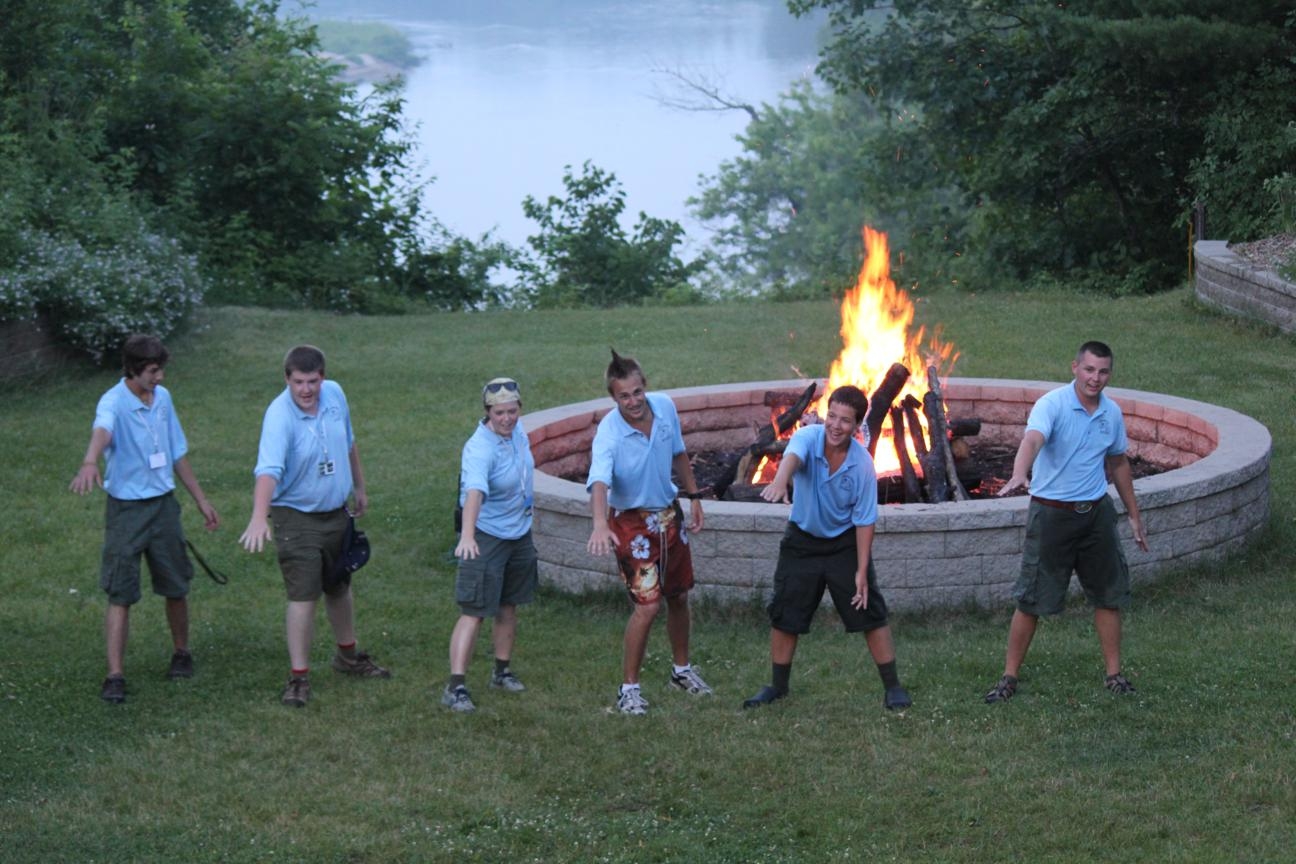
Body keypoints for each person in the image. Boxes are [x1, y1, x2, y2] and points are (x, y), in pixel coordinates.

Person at [984, 340, 1149, 703]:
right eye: (1089, 369)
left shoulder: (1111, 413)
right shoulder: (1053, 404)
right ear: (1075, 368)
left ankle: (1114, 675)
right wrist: (1020, 472)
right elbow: (1032, 439)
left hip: (1096, 515)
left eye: (1103, 372)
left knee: (1108, 596)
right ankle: (1009, 677)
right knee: (1031, 599)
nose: (1095, 378)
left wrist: (1134, 516)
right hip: (1052, 515)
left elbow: (1118, 463)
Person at [743, 385, 913, 711]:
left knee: (870, 610)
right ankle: (777, 686)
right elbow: (792, 458)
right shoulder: (808, 437)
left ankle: (893, 687)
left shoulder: (862, 465)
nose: (836, 425)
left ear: (857, 426)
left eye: (845, 420)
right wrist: (779, 481)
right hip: (802, 541)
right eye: (832, 416)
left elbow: (865, 520)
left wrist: (861, 571)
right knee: (786, 611)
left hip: (843, 544)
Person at [70, 334, 220, 704]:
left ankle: (181, 653)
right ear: (134, 369)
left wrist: (201, 500)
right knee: (120, 591)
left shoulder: (162, 399)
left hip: (164, 507)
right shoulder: (113, 401)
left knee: (176, 584)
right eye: (153, 371)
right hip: (127, 511)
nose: (160, 377)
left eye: (160, 369)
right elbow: (102, 430)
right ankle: (115, 675)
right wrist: (90, 460)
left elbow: (176, 452)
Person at [239, 345, 390, 707]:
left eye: (312, 381)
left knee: (339, 586)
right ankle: (299, 677)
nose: (306, 390)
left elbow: (349, 442)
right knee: (304, 596)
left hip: (336, 512)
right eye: (298, 382)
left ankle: (348, 657)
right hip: (296, 516)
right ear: (286, 379)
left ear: (323, 377)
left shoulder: (334, 394)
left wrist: (359, 487)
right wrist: (259, 516)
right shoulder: (279, 416)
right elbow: (268, 470)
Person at [586, 349, 712, 715]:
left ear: (645, 386)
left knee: (679, 595)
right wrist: (599, 523)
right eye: (624, 396)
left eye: (637, 392)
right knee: (648, 606)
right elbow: (598, 481)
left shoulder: (665, 407)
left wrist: (694, 497)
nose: (633, 401)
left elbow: (679, 453)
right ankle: (628, 690)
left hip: (669, 515)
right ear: (613, 398)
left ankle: (681, 671)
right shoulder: (609, 432)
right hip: (631, 522)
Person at [442, 377, 539, 713]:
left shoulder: (517, 431)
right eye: (499, 413)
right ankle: (455, 687)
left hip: (519, 532)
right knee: (474, 612)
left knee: (508, 604)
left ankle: (501, 672)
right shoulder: (479, 448)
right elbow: (474, 492)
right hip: (487, 535)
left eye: (512, 411)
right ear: (488, 412)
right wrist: (468, 536)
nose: (507, 419)